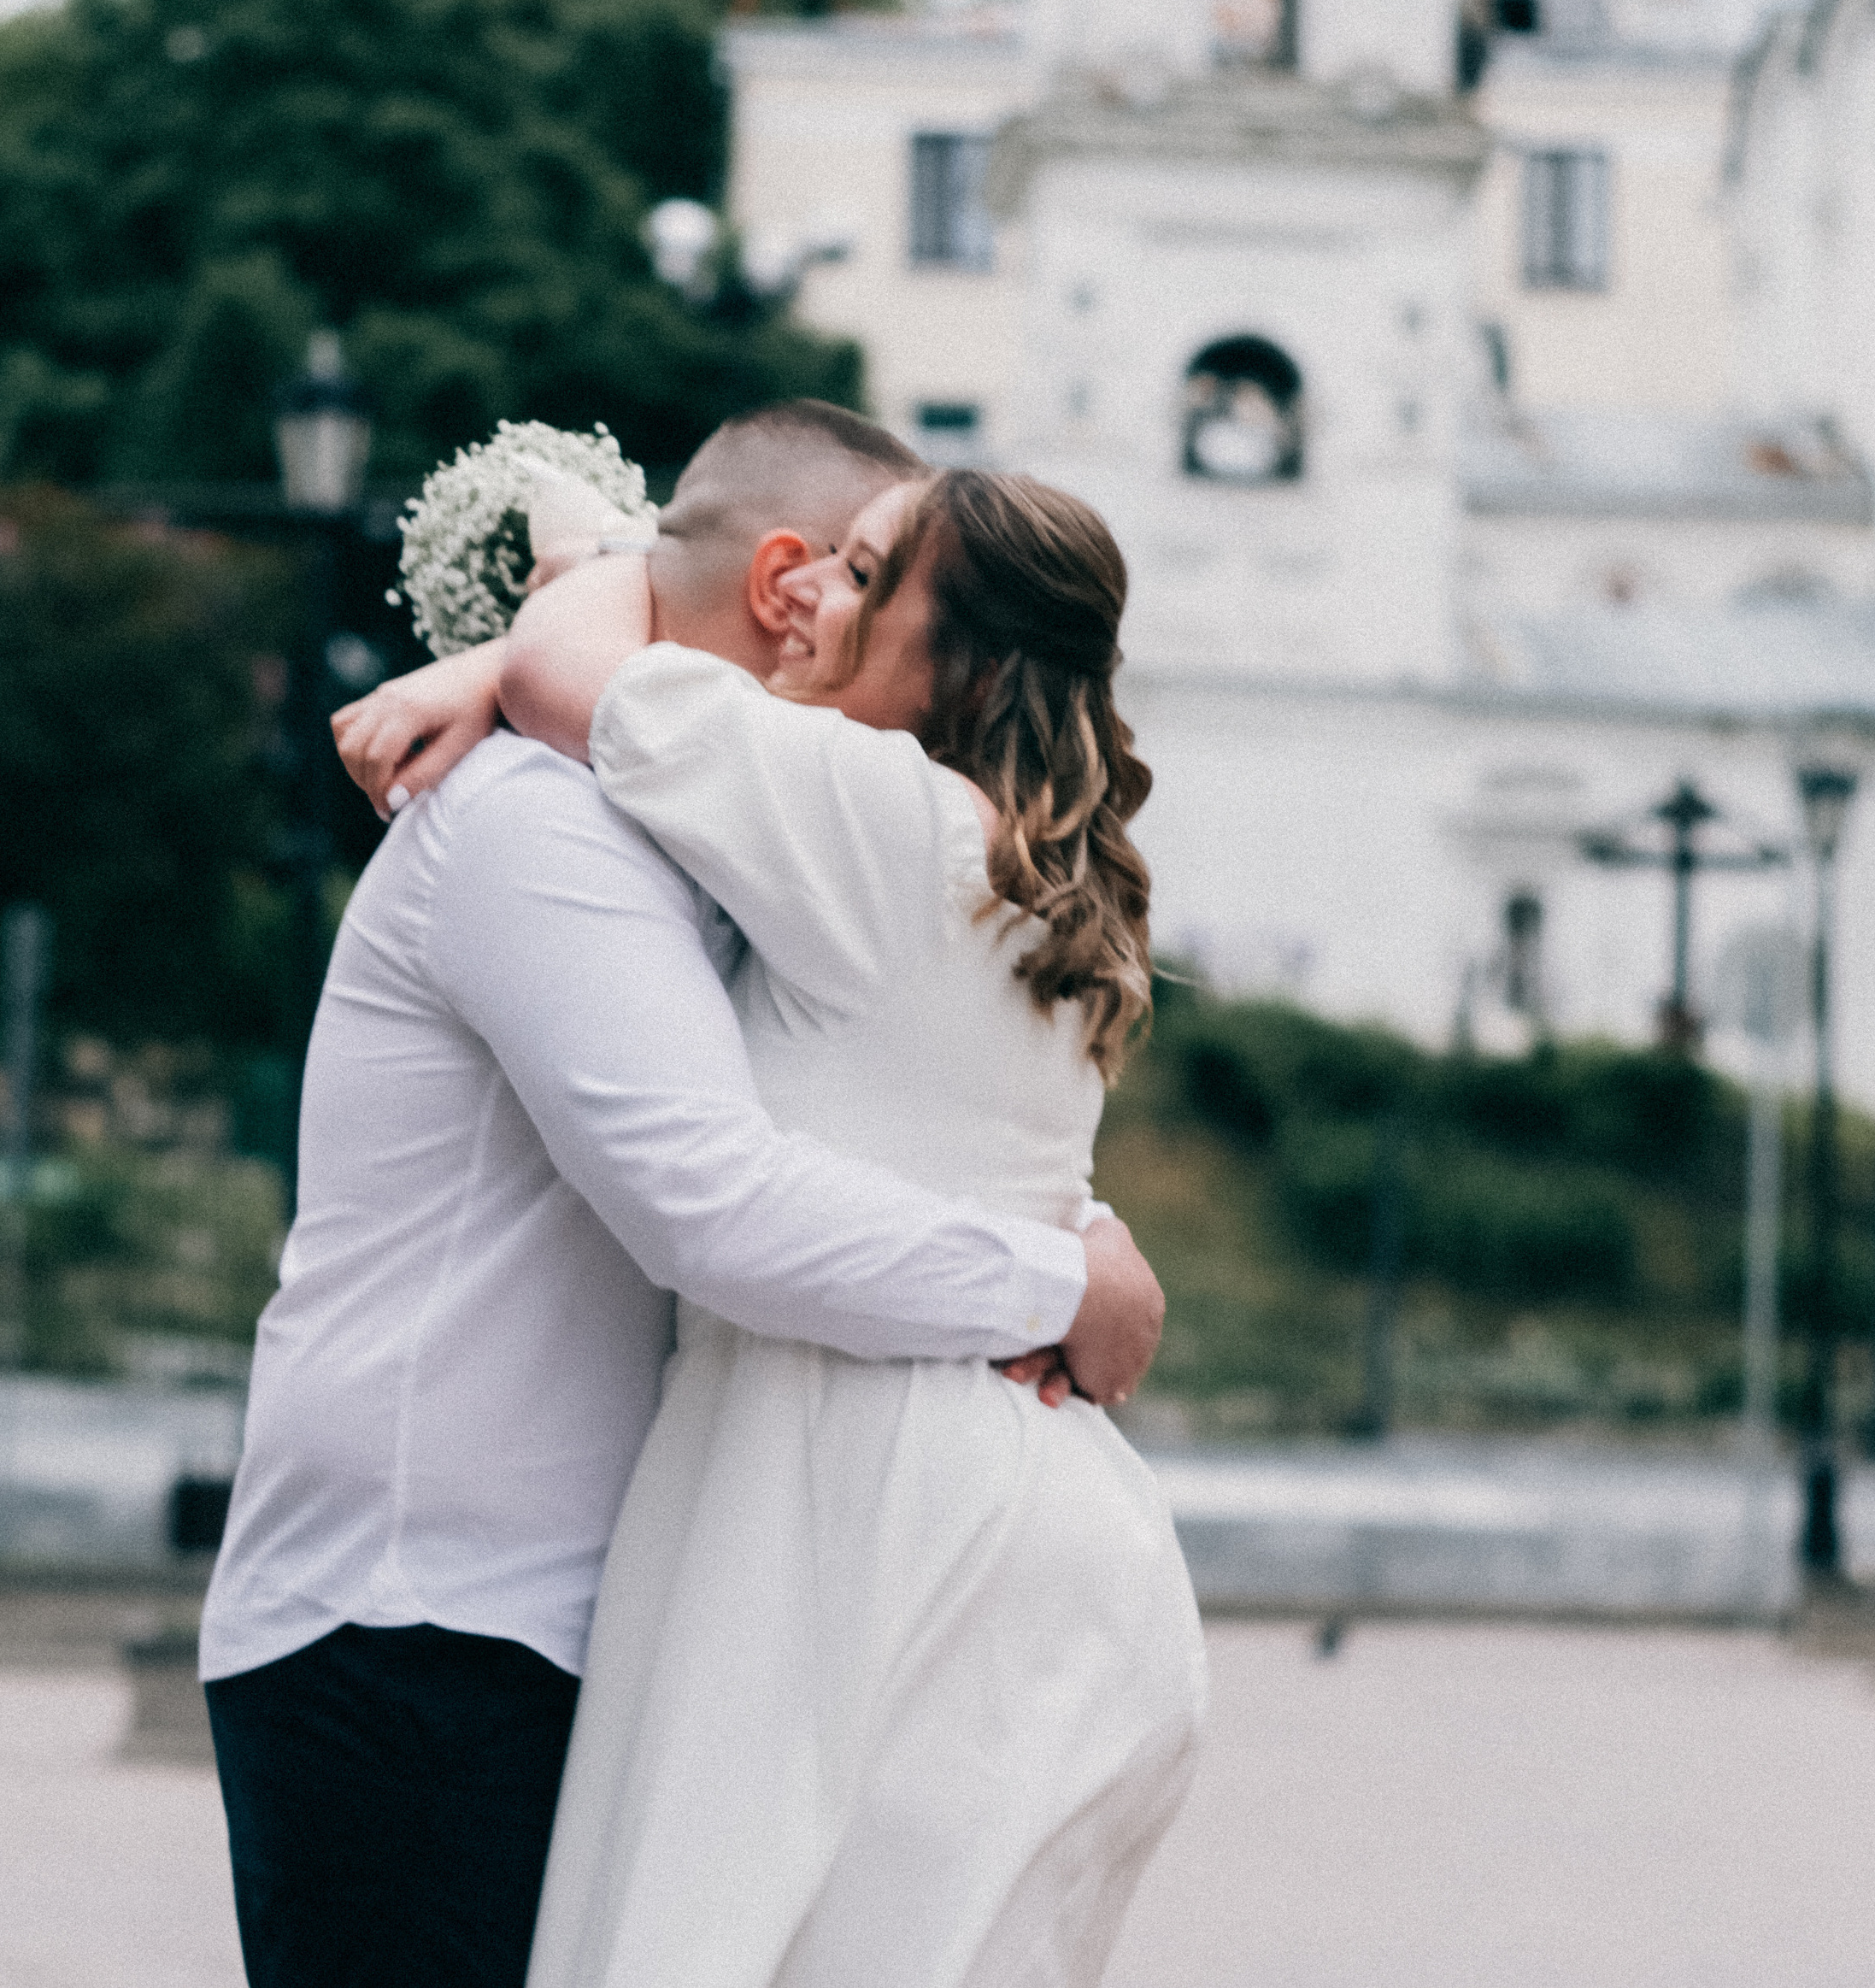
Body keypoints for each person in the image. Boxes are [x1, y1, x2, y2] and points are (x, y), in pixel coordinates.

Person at [204, 402, 1165, 1988]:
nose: (833, 601)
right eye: (835, 568)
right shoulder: (553, 824)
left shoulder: (798, 835)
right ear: (782, 583)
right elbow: (717, 1204)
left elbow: (839, 1119)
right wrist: (1068, 1277)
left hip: (708, 1574)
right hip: (428, 1623)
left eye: (875, 578)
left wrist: (526, 642)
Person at [498, 462, 1208, 1988]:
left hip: (847, 1498)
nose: (809, 591)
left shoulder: (877, 815)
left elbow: (558, 669)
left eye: (868, 577)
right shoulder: (1032, 879)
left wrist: (606, 546)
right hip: (1019, 1505)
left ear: (969, 668)